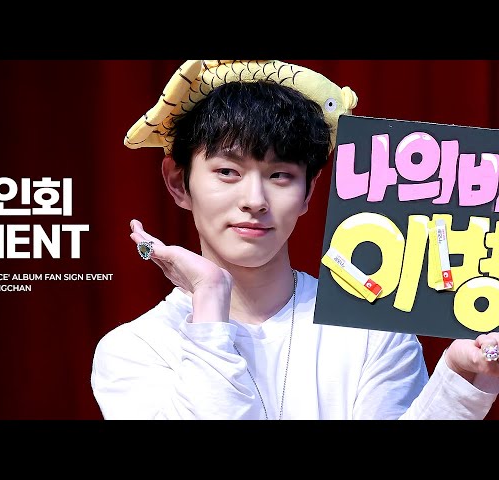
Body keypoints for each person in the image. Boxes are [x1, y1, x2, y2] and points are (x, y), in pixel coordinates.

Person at [90, 60, 499, 420]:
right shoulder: (135, 349)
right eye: (228, 172)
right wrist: (210, 297)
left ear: (308, 192)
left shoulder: (372, 331)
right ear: (178, 182)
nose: (254, 200)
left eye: (280, 175)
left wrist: (458, 383)